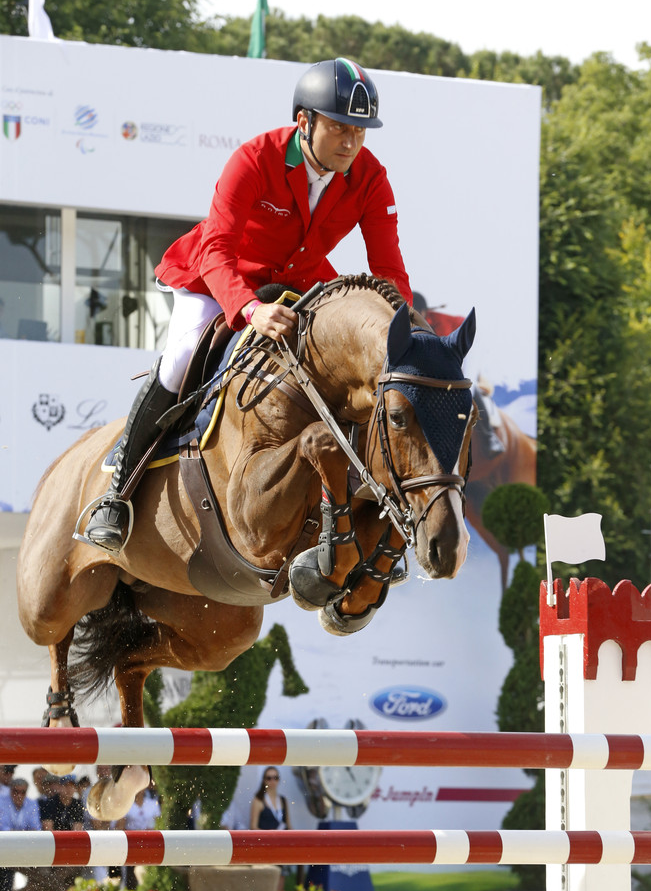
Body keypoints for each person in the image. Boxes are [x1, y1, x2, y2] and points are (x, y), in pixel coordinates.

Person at [79, 58, 413, 554]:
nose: (351, 142)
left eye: (360, 131)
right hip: (218, 279)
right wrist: (250, 310)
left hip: (297, 282)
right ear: (305, 121)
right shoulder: (255, 159)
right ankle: (118, 491)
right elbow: (217, 250)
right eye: (339, 128)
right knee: (180, 360)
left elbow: (388, 271)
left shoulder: (369, 177)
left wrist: (406, 336)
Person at [0, 778, 41, 891]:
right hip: (5, 851)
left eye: (22, 792)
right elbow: (3, 828)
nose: (19, 795)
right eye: (15, 791)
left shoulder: (31, 804)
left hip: (23, 852)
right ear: (10, 791)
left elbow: (36, 828)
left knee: (38, 881)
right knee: (6, 885)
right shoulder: (2, 802)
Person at [250, 767, 291, 831]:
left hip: (282, 839)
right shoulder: (258, 800)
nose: (272, 781)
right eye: (269, 778)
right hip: (265, 840)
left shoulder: (283, 800)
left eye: (275, 778)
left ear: (279, 779)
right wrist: (270, 835)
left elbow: (289, 825)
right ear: (264, 780)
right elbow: (253, 827)